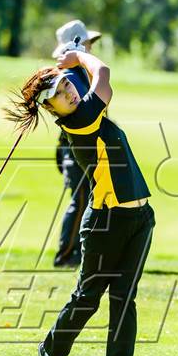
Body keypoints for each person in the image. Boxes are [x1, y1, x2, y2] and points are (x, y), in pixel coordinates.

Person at [5, 48, 155, 356]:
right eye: (56, 93)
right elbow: (102, 75)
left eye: (64, 85)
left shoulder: (91, 114)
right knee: (89, 295)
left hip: (140, 217)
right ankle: (51, 353)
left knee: (124, 296)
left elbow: (95, 88)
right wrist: (79, 56)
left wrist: (73, 64)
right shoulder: (79, 120)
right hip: (107, 221)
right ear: (49, 107)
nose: (67, 91)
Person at [52, 20, 101, 267]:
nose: (92, 48)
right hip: (76, 150)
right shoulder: (70, 75)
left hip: (85, 149)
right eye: (89, 43)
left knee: (86, 201)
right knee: (80, 200)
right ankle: (66, 255)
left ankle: (80, 254)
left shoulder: (80, 72)